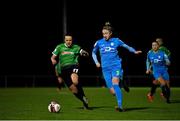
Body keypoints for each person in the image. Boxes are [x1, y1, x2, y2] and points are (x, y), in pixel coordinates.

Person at [92, 22, 142, 112]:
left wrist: (134, 51)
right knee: (113, 92)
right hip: (105, 68)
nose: (104, 35)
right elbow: (93, 53)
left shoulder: (116, 40)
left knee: (115, 83)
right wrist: (96, 62)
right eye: (103, 33)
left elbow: (126, 46)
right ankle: (122, 82)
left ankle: (120, 106)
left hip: (116, 66)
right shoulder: (99, 42)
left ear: (110, 33)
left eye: (106, 33)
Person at [51, 34, 90, 109]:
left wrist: (84, 53)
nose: (69, 42)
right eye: (67, 40)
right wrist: (53, 60)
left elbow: (84, 52)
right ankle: (84, 99)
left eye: (70, 40)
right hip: (63, 70)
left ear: (72, 40)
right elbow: (52, 57)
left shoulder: (76, 47)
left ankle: (84, 99)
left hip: (73, 66)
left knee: (75, 81)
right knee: (73, 90)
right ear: (64, 40)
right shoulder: (59, 47)